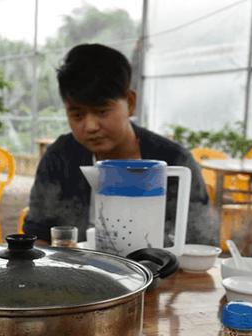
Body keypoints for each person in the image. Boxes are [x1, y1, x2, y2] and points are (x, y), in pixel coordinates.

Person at [23, 43, 217, 246]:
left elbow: (199, 241)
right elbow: (38, 236)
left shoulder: (174, 160)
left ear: (130, 103)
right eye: (77, 114)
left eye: (102, 111)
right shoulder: (59, 158)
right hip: (77, 273)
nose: (90, 126)